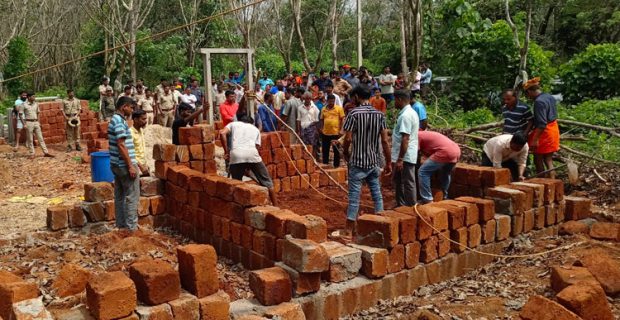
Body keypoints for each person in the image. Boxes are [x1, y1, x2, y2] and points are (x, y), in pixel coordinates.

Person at [340, 85, 392, 239]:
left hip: (358, 161)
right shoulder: (379, 115)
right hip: (374, 161)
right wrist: (388, 162)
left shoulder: (354, 114)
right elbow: (384, 141)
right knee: (377, 194)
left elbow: (348, 138)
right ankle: (380, 224)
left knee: (354, 196)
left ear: (356, 96)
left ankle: (349, 230)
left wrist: (345, 153)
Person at [220, 115, 278, 205]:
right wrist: (250, 165)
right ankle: (276, 205)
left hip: (236, 154)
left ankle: (238, 205)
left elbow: (222, 133)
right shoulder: (255, 129)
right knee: (268, 182)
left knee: (237, 183)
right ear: (251, 122)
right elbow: (257, 147)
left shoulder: (233, 124)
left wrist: (226, 151)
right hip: (252, 154)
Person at [108, 96, 139, 231]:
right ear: (124, 107)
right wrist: (130, 165)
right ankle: (131, 228)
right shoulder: (119, 122)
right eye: (131, 107)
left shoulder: (115, 120)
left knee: (120, 196)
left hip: (116, 164)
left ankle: (121, 226)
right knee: (132, 196)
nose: (132, 110)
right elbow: (121, 145)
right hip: (124, 165)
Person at [523, 78, 560, 178]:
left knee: (538, 158)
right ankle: (552, 184)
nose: (528, 97)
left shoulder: (539, 102)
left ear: (530, 91)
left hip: (544, 132)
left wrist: (535, 139)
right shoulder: (549, 97)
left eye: (527, 94)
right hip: (553, 129)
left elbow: (542, 123)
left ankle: (542, 182)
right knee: (548, 159)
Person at [391, 90, 419, 207]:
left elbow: (405, 138)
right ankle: (401, 206)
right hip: (405, 154)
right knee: (400, 181)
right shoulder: (409, 112)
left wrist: (401, 159)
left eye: (395, 100)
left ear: (400, 100)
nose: (394, 103)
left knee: (408, 182)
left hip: (405, 156)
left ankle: (411, 208)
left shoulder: (406, 116)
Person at [417, 131, 461, 203]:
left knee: (423, 172)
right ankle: (444, 196)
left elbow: (415, 152)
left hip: (445, 151)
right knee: (446, 173)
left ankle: (427, 199)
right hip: (456, 150)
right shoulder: (425, 133)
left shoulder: (416, 135)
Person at [19, 92, 54, 158]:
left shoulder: (36, 104)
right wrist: (24, 124)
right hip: (28, 122)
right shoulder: (23, 105)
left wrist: (39, 122)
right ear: (29, 97)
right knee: (30, 139)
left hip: (36, 122)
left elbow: (38, 113)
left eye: (34, 96)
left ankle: (46, 152)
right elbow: (20, 115)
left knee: (41, 138)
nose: (34, 98)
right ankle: (32, 153)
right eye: (33, 96)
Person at [319, 94, 345, 167]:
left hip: (336, 133)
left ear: (334, 101)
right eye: (330, 101)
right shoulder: (323, 109)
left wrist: (341, 130)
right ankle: (325, 165)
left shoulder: (339, 109)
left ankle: (336, 166)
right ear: (327, 101)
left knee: (336, 150)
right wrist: (321, 128)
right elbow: (321, 119)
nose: (331, 103)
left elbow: (343, 119)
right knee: (325, 150)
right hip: (325, 133)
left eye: (333, 101)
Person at [296, 92, 320, 158]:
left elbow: (316, 120)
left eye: (309, 98)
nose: (307, 100)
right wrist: (298, 131)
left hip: (312, 128)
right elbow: (298, 119)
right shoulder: (300, 108)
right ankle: (306, 158)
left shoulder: (314, 107)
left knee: (313, 145)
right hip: (303, 128)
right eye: (306, 99)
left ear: (310, 99)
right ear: (304, 99)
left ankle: (313, 159)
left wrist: (317, 130)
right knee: (304, 145)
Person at [130, 109, 149, 176]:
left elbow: (141, 150)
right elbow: (129, 153)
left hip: (142, 166)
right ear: (135, 119)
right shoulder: (130, 133)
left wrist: (145, 164)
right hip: (135, 167)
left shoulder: (141, 130)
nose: (145, 121)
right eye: (143, 119)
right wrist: (141, 166)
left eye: (146, 119)